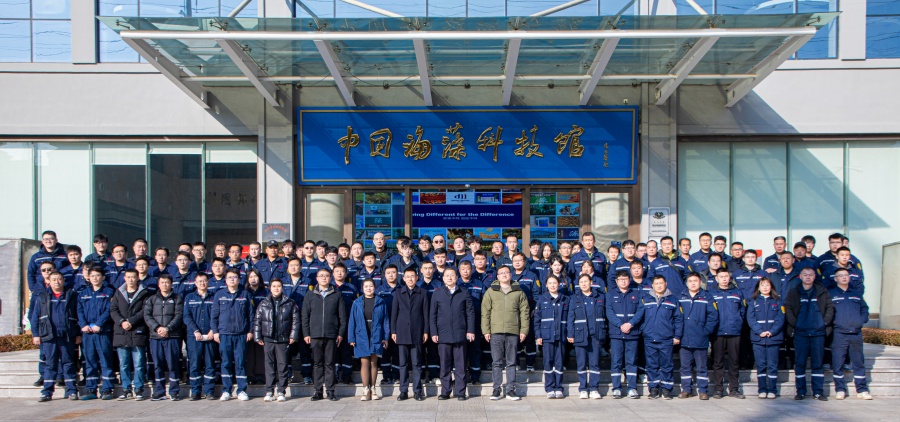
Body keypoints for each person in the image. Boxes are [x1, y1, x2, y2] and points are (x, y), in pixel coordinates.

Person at [784, 267, 834, 401]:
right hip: (801, 333)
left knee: (817, 363)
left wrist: (824, 322)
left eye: (810, 275)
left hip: (818, 333)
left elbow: (830, 307)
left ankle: (818, 392)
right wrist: (795, 324)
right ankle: (800, 391)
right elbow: (788, 309)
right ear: (800, 276)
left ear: (814, 276)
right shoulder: (794, 292)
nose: (808, 277)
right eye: (805, 274)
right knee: (800, 363)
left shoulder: (822, 291)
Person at [30, 270, 80, 402]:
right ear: (49, 282)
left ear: (63, 281)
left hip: (66, 335)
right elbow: (35, 317)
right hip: (49, 336)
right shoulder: (42, 297)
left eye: (59, 279)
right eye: (54, 280)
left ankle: (72, 391)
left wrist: (78, 333)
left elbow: (78, 315)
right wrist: (36, 334)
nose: (57, 282)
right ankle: (47, 392)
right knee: (50, 364)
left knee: (68, 363)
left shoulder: (71, 295)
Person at [481, 265, 529, 401]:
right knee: (496, 362)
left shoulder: (518, 291)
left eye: (506, 272)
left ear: (510, 274)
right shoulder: (491, 291)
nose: (504, 275)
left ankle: (510, 390)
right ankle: (496, 389)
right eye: (501, 273)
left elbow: (524, 312)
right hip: (495, 332)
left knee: (511, 362)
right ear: (497, 276)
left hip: (513, 331)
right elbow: (485, 312)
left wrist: (523, 330)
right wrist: (486, 330)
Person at [303, 268, 348, 402]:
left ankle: (330, 390)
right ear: (317, 278)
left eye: (327, 276)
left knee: (330, 363)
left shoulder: (337, 294)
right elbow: (305, 316)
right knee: (317, 363)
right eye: (321, 276)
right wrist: (306, 333)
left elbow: (342, 317)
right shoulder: (310, 295)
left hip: (331, 334)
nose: (324, 278)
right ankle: (318, 391)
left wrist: (340, 333)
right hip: (315, 334)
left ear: (330, 278)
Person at [429, 269, 475, 401]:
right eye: (447, 276)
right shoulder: (437, 293)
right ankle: (445, 391)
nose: (449, 278)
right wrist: (434, 332)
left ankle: (460, 392)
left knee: (460, 366)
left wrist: (470, 330)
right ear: (443, 278)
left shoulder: (464, 292)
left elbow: (470, 313)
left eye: (452, 275)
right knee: (445, 365)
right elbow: (432, 315)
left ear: (456, 277)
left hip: (460, 334)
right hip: (443, 335)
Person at [211, 268, 255, 401]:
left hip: (241, 334)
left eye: (235, 277)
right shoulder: (219, 294)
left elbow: (251, 315)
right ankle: (226, 390)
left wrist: (250, 331)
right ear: (225, 280)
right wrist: (215, 332)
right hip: (224, 334)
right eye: (229, 277)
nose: (232, 279)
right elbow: (214, 315)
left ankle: (242, 390)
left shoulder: (245, 294)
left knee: (240, 362)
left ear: (239, 279)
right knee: (226, 363)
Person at [254, 279, 301, 402]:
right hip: (268, 339)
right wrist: (257, 336)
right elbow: (257, 320)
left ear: (282, 287)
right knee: (269, 365)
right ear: (270, 288)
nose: (276, 288)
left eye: (278, 286)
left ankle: (281, 391)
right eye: (274, 286)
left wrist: (293, 336)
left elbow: (295, 321)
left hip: (283, 339)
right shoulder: (264, 303)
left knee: (282, 365)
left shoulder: (289, 303)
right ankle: (269, 390)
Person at [829, 268, 873, 400]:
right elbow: (827, 312)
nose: (844, 277)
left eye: (846, 275)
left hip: (855, 333)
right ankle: (840, 389)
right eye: (840, 275)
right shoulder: (831, 294)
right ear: (835, 278)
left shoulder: (856, 293)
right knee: (838, 362)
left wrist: (861, 320)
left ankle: (862, 390)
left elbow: (864, 308)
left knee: (858, 362)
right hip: (839, 333)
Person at [110, 269, 151, 400]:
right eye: (128, 277)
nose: (131, 280)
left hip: (137, 331)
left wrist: (131, 321)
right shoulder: (119, 292)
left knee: (139, 363)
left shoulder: (144, 293)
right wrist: (122, 322)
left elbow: (144, 310)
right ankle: (126, 388)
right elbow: (113, 310)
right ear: (124, 278)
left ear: (138, 278)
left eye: (133, 277)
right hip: (122, 332)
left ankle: (138, 389)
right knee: (124, 364)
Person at [676, 272, 718, 400]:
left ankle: (703, 390)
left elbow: (713, 316)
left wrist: (705, 331)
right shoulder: (680, 297)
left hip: (700, 338)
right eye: (690, 281)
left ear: (700, 282)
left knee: (701, 366)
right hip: (684, 337)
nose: (693, 283)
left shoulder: (707, 297)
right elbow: (676, 316)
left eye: (695, 281)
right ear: (686, 283)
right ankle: (686, 389)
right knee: (685, 367)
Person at [143, 273, 184, 401]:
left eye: (167, 282)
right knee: (158, 365)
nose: (165, 285)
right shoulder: (152, 299)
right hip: (156, 337)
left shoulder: (177, 298)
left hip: (172, 336)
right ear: (158, 284)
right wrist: (157, 328)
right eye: (162, 282)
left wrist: (168, 328)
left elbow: (179, 315)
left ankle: (174, 391)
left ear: (171, 284)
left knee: (173, 364)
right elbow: (147, 316)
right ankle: (159, 391)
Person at [77, 266, 116, 401]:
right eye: (92, 275)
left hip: (103, 331)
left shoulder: (109, 293)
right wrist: (83, 325)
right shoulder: (83, 293)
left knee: (105, 360)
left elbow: (109, 310)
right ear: (88, 277)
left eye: (98, 275)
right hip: (88, 333)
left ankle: (107, 389)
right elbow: (79, 311)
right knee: (90, 361)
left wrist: (99, 324)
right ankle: (91, 389)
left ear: (103, 277)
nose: (95, 278)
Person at [392, 267, 430, 401]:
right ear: (403, 278)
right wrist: (393, 331)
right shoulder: (398, 293)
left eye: (412, 276)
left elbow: (425, 314)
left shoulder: (423, 293)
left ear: (417, 278)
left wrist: (425, 331)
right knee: (403, 363)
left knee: (417, 363)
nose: (410, 279)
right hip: (402, 332)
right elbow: (394, 314)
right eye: (407, 276)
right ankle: (403, 391)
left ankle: (417, 391)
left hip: (417, 332)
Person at [641, 275, 681, 400]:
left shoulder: (673, 300)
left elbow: (678, 319)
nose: (659, 285)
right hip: (650, 337)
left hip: (666, 338)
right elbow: (640, 316)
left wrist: (677, 335)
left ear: (666, 284)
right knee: (651, 364)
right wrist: (644, 330)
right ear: (652, 285)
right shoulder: (645, 299)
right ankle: (653, 388)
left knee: (667, 364)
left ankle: (666, 389)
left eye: (661, 283)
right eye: (656, 283)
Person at [349, 279, 389, 401]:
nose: (368, 288)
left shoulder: (380, 302)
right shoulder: (357, 303)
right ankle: (365, 389)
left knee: (373, 362)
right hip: (361, 335)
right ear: (362, 288)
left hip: (376, 334)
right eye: (366, 286)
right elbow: (352, 321)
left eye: (371, 286)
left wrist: (385, 337)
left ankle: (373, 388)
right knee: (364, 362)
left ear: (374, 287)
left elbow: (385, 321)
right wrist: (351, 338)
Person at [568, 274, 607, 399]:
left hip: (595, 335)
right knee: (581, 363)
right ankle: (583, 388)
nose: (584, 284)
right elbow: (570, 317)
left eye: (586, 281)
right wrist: (570, 333)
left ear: (591, 282)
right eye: (581, 282)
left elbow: (605, 315)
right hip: (580, 334)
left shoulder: (600, 297)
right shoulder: (574, 298)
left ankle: (594, 388)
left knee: (595, 363)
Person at [607, 270, 644, 399]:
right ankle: (616, 388)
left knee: (631, 361)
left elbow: (640, 311)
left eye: (625, 279)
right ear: (616, 281)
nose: (623, 281)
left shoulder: (636, 294)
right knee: (616, 362)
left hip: (632, 333)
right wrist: (620, 325)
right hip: (616, 333)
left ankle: (632, 388)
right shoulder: (610, 295)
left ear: (629, 280)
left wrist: (631, 324)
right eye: (620, 279)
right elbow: (609, 312)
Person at [710, 270, 746, 399]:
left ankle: (734, 389)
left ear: (730, 278)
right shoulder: (711, 293)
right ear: (716, 278)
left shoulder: (737, 292)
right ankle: (718, 389)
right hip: (718, 331)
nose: (724, 279)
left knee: (734, 361)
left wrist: (738, 322)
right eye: (721, 277)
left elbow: (742, 310)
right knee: (718, 361)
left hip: (734, 331)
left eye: (726, 276)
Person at [748, 277, 784, 399]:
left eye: (767, 285)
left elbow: (780, 318)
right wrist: (759, 331)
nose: (765, 287)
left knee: (772, 365)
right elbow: (750, 318)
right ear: (758, 288)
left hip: (773, 338)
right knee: (761, 365)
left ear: (771, 287)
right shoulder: (753, 301)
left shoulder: (778, 301)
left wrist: (772, 331)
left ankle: (772, 389)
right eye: (762, 285)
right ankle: (762, 389)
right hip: (758, 338)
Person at [183, 272, 217, 401]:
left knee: (210, 364)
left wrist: (213, 330)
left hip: (209, 335)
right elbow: (187, 316)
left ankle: (209, 391)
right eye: (199, 281)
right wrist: (195, 330)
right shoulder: (189, 297)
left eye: (204, 281)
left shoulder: (214, 297)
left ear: (208, 282)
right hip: (194, 336)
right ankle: (195, 391)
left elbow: (217, 315)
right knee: (194, 364)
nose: (202, 283)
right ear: (195, 283)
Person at [533, 275, 568, 399]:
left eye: (555, 283)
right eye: (550, 283)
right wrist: (538, 335)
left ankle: (559, 387)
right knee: (548, 362)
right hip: (547, 336)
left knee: (559, 363)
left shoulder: (565, 299)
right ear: (546, 285)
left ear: (559, 284)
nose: (553, 285)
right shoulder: (542, 299)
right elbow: (537, 320)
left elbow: (569, 319)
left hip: (561, 336)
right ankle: (549, 388)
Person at [457, 260, 484, 385]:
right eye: (463, 269)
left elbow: (484, 302)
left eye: (468, 269)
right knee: (459, 351)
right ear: (459, 270)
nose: (465, 271)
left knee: (475, 349)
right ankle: (459, 377)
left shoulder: (479, 284)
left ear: (471, 270)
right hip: (459, 322)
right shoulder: (456, 284)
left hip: (475, 321)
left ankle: (475, 376)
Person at [375, 264, 401, 385]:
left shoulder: (402, 289)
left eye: (393, 272)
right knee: (384, 351)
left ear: (397, 274)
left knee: (397, 351)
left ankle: (396, 375)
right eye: (388, 273)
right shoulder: (379, 290)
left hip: (398, 325)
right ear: (384, 275)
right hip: (383, 325)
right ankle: (386, 376)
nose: (391, 275)